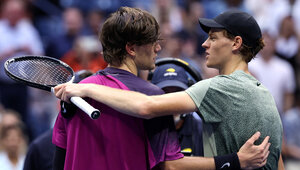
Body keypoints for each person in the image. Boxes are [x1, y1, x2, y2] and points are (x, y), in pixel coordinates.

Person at [54, 9, 280, 169]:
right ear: (132, 49)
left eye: (212, 38)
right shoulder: (265, 94)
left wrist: (87, 88)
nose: (159, 48)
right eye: (154, 42)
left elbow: (59, 156)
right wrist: (235, 161)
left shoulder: (77, 91)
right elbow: (170, 166)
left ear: (237, 43)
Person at [150, 62, 204, 156]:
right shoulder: (143, 128)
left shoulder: (201, 129)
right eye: (164, 92)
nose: (172, 100)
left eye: (178, 92)